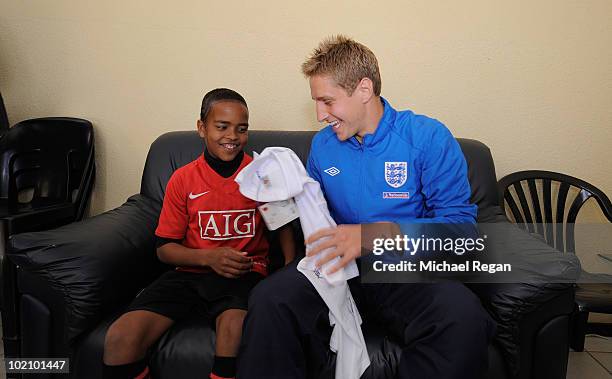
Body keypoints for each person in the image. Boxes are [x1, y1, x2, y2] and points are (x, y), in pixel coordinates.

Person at [237, 36, 496, 379]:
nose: (319, 115)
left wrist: (374, 236)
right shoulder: (323, 147)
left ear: (363, 89)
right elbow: (312, 215)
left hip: (403, 272)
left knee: (463, 316)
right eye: (316, 102)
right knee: (269, 299)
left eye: (327, 101)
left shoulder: (427, 137)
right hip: (337, 268)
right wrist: (278, 203)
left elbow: (460, 230)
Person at [103, 88, 295, 379]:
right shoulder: (183, 178)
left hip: (243, 274)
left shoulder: (262, 173)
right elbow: (164, 249)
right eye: (222, 127)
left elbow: (283, 227)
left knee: (233, 329)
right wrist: (209, 258)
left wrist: (288, 272)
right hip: (189, 273)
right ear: (202, 128)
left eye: (241, 129)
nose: (232, 136)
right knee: (120, 337)